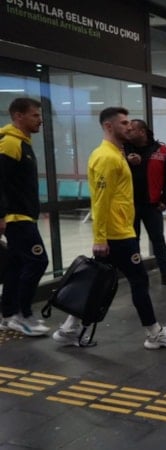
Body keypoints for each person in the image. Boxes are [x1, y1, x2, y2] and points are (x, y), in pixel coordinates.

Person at [52, 107, 166, 349]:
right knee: (139, 280)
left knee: (98, 280)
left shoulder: (116, 154)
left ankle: (69, 329)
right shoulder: (107, 157)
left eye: (129, 123)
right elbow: (101, 200)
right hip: (117, 234)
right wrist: (100, 238)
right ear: (109, 126)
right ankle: (154, 333)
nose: (129, 126)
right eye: (124, 123)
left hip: (118, 230)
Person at [0, 98, 49, 336]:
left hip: (23, 216)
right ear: (18, 116)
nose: (40, 120)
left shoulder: (22, 143)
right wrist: (1, 215)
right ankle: (22, 314)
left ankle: (8, 314)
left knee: (16, 265)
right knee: (38, 261)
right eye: (35, 115)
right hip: (16, 218)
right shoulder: (10, 143)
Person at [124, 119, 166, 287]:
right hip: (129, 205)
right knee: (132, 242)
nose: (127, 132)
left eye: (131, 130)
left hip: (152, 205)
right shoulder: (123, 149)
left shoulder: (160, 150)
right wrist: (127, 161)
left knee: (158, 240)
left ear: (142, 131)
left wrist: (165, 200)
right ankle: (136, 276)